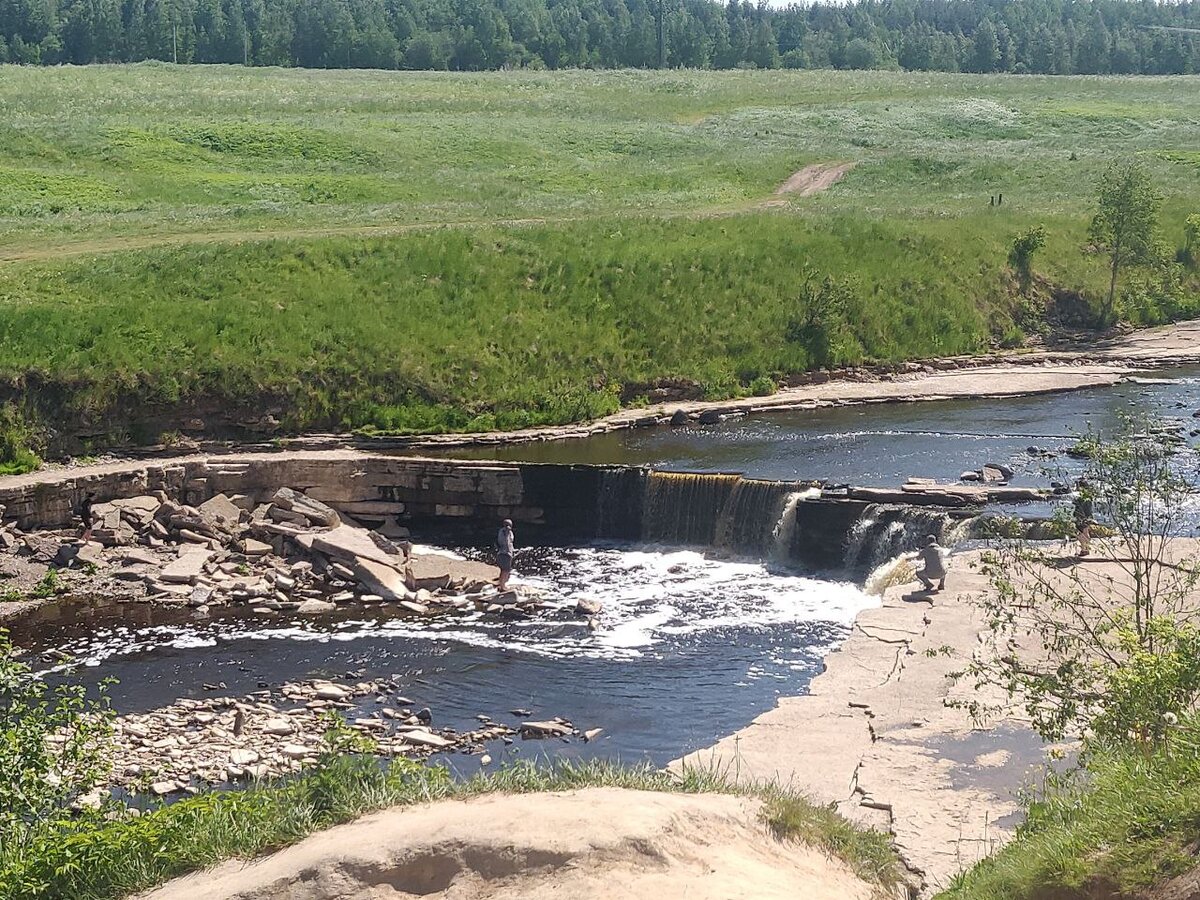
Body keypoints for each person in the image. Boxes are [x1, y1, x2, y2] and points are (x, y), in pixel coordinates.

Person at [1073, 480, 1094, 558]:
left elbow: (1077, 505)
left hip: (1081, 516)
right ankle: (1086, 548)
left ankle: (1084, 549)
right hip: (1088, 516)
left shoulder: (1081, 496)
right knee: (1086, 532)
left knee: (1080, 534)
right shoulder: (1088, 496)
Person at [496, 518, 515, 591]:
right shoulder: (505, 531)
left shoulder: (507, 532)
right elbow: (506, 542)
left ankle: (501, 584)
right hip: (505, 553)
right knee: (506, 570)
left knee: (503, 570)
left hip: (506, 553)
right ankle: (503, 586)